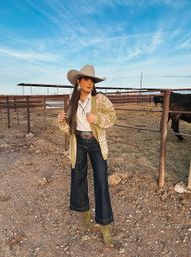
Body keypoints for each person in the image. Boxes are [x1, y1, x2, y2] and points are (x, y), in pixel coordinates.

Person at [58, 64, 116, 247]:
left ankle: (105, 227)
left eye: (92, 80)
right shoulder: (72, 100)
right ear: (78, 82)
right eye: (87, 79)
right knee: (78, 178)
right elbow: (69, 128)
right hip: (79, 143)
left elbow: (113, 117)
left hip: (96, 143)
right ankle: (85, 214)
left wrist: (97, 119)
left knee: (101, 182)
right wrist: (61, 122)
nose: (90, 83)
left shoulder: (100, 99)